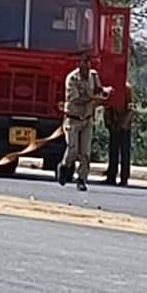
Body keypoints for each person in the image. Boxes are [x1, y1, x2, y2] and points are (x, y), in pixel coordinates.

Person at [59, 54, 112, 191]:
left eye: (89, 62)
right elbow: (76, 99)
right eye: (84, 62)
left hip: (87, 118)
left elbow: (98, 89)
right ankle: (64, 166)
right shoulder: (72, 79)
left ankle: (82, 179)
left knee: (85, 153)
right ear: (78, 64)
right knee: (73, 150)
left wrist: (105, 91)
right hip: (73, 118)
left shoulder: (93, 76)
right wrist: (95, 98)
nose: (87, 66)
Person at [104, 82, 134, 187]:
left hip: (124, 126)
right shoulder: (110, 88)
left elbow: (130, 108)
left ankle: (124, 178)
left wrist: (123, 123)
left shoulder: (127, 89)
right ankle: (111, 175)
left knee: (125, 152)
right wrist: (110, 123)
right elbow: (107, 107)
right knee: (113, 151)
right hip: (114, 124)